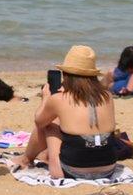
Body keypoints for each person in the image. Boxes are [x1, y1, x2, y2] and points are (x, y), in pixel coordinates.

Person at [11, 45, 117, 179]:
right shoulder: (107, 95)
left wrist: (46, 99)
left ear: (66, 75)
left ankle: (26, 159)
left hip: (72, 170)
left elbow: (39, 121)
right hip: (108, 168)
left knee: (50, 124)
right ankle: (43, 155)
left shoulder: (59, 99)